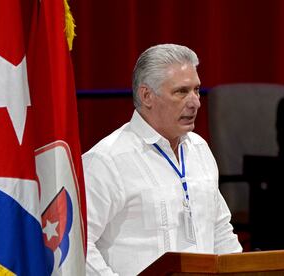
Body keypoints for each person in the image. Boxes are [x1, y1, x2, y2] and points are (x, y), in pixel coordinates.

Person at [83, 44, 242, 275]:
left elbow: (219, 229)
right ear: (147, 95)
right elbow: (79, 244)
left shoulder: (199, 148)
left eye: (196, 90)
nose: (195, 102)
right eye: (181, 91)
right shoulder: (106, 160)